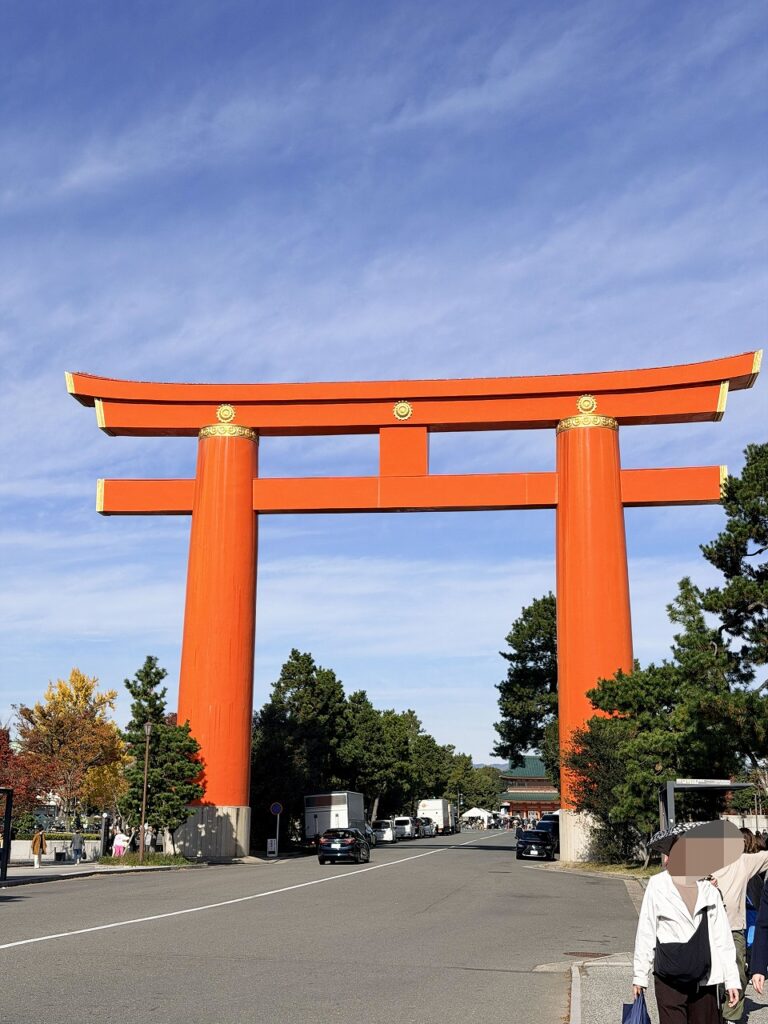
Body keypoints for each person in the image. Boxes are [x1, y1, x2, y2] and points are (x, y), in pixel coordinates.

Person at [632, 819, 741, 1023]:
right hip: (669, 977)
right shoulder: (658, 885)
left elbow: (722, 938)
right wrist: (640, 975)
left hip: (704, 978)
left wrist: (732, 980)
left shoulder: (709, 890)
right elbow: (646, 930)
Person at [712, 825, 768, 1021]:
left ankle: (731, 1016)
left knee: (737, 974)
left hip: (734, 929)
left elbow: (766, 857)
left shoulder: (742, 862)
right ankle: (713, 1011)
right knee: (710, 976)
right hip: (707, 930)